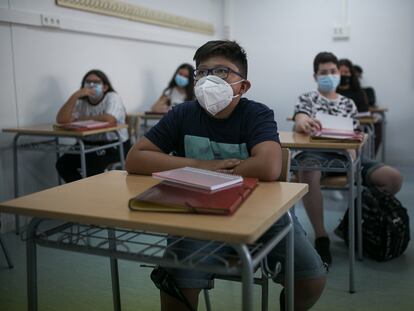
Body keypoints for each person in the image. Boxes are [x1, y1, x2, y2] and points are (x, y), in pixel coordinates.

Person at [126, 40, 326, 311]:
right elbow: (136, 158)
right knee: (177, 289)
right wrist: (201, 165)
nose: (209, 79)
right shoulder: (183, 114)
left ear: (243, 86)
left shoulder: (256, 113)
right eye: (202, 72)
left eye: (221, 72)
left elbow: (269, 166)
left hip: (261, 211)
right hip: (195, 212)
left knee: (311, 280)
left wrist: (192, 166)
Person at [293, 52, 403, 264]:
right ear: (315, 76)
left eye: (332, 71)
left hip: (347, 155)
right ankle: (321, 235)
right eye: (323, 72)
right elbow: (300, 117)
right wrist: (303, 122)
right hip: (316, 154)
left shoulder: (348, 104)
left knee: (393, 179)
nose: (329, 76)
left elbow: (355, 134)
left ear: (339, 74)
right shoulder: (307, 98)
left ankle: (349, 223)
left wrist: (354, 152)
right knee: (307, 169)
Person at [56, 69, 130, 183]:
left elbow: (109, 119)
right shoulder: (81, 101)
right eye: (88, 82)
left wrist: (80, 119)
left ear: (104, 87)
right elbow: (62, 120)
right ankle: (81, 193)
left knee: (92, 164)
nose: (91, 85)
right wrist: (75, 95)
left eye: (96, 82)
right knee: (62, 164)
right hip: (87, 144)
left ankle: (94, 196)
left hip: (114, 143)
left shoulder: (112, 96)